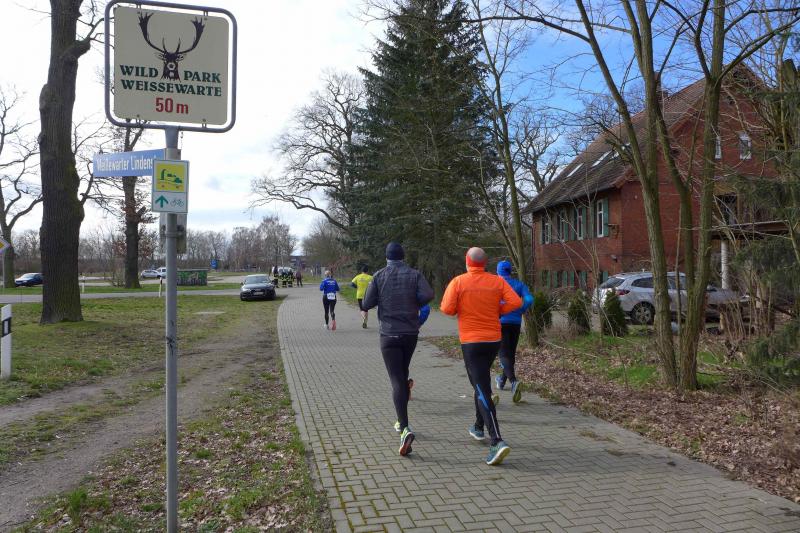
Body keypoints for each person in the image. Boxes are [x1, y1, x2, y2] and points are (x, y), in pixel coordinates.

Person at [440, 247, 522, 466]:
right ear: (485, 263)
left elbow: (446, 309)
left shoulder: (458, 282)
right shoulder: (497, 282)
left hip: (471, 342)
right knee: (480, 384)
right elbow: (516, 302)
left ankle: (497, 440)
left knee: (482, 388)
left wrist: (462, 307)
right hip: (493, 340)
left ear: (467, 261)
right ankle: (478, 427)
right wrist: (498, 310)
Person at [362, 242, 434, 457]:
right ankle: (400, 421)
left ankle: (404, 428)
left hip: (389, 334)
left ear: (387, 257)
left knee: (397, 380)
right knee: (402, 375)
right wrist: (414, 302)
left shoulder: (379, 276)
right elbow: (429, 294)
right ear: (403, 256)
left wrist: (380, 298)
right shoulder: (415, 275)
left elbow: (366, 303)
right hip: (410, 333)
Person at [495, 260, 534, 403]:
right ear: (510, 271)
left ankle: (513, 381)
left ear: (498, 272)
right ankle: (501, 380)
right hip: (515, 323)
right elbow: (529, 298)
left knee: (503, 354)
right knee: (510, 354)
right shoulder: (519, 284)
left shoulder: (495, 284)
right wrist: (521, 310)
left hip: (500, 322)